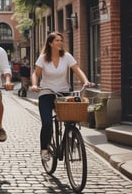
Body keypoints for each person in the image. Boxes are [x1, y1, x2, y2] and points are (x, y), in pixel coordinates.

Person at [30, 32, 90, 162]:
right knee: (47, 123)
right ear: (50, 43)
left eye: (61, 40)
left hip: (63, 93)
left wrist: (85, 81)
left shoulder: (67, 57)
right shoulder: (43, 58)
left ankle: (68, 141)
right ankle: (44, 149)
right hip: (46, 93)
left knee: (71, 119)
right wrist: (34, 85)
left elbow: (77, 70)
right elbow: (35, 74)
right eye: (57, 40)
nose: (60, 42)